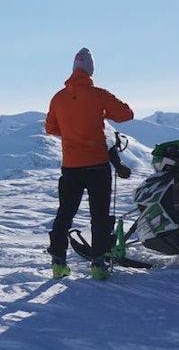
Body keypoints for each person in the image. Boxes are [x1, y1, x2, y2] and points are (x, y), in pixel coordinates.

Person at [45, 48, 134, 280]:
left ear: (73, 70)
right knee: (100, 215)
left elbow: (50, 128)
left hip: (71, 165)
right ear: (91, 70)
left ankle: (58, 262)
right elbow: (126, 114)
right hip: (97, 163)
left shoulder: (58, 98)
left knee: (65, 213)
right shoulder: (99, 95)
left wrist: (71, 132)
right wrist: (100, 114)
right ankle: (98, 264)